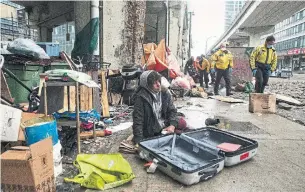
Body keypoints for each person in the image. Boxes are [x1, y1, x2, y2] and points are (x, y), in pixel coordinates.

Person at [132, 70, 188, 144]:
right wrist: (139, 141)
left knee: (182, 123)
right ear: (147, 85)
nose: (158, 85)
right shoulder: (141, 98)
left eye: (159, 81)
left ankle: (170, 132)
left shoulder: (164, 93)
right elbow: (138, 121)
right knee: (177, 137)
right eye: (154, 83)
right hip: (152, 128)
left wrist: (172, 126)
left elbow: (171, 110)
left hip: (164, 123)